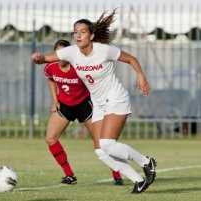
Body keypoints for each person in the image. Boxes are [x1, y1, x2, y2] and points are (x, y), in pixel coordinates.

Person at [32, 10, 157, 194]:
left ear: (91, 35)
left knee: (107, 143)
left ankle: (146, 162)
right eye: (75, 32)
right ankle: (138, 180)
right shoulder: (72, 52)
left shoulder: (104, 50)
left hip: (116, 98)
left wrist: (141, 76)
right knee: (101, 151)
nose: (78, 35)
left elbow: (130, 59)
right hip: (98, 103)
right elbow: (47, 59)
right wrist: (38, 58)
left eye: (82, 31)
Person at [44, 39, 123, 185]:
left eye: (63, 54)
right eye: (58, 54)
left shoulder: (79, 67)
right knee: (50, 138)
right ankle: (70, 175)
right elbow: (51, 79)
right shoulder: (50, 67)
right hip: (65, 106)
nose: (60, 57)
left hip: (84, 105)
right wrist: (55, 100)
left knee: (101, 142)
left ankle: (117, 175)